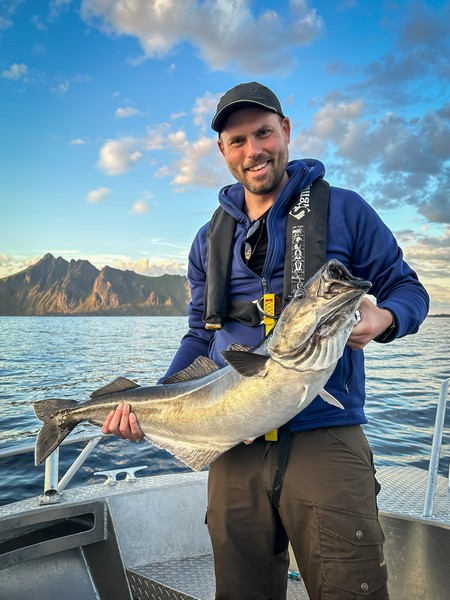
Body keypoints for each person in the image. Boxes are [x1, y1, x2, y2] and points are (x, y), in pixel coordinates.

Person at [102, 82, 429, 599]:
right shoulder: (208, 240)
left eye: (263, 133)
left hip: (324, 430)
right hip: (230, 440)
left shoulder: (345, 210)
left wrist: (384, 319)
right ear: (223, 151)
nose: (254, 150)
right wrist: (158, 402)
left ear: (286, 131)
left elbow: (409, 289)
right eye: (238, 141)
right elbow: (199, 334)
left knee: (352, 586)